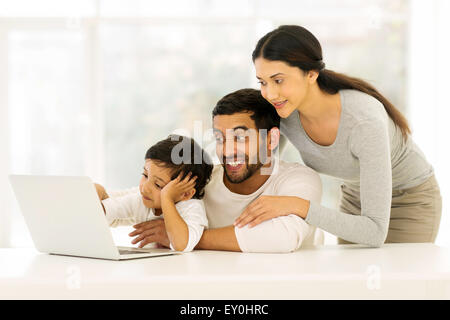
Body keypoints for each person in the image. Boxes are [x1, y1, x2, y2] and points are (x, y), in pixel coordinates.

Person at [241, 24, 442, 247]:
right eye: (262, 82)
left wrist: (297, 205)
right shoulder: (284, 112)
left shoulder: (363, 122)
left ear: (311, 74)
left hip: (409, 201)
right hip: (355, 199)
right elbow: (261, 169)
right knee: (357, 279)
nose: (269, 93)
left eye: (278, 80)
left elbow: (374, 232)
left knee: (400, 281)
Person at [119, 88, 323, 253]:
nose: (227, 150)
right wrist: (101, 198)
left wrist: (185, 237)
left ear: (271, 139)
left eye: (240, 138)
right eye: (219, 138)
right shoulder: (202, 182)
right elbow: (141, 198)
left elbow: (282, 238)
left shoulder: (299, 180)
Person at [95, 135, 213, 252]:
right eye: (145, 175)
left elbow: (181, 245)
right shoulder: (140, 199)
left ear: (186, 194)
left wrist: (166, 198)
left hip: (181, 269)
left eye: (158, 185)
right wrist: (94, 197)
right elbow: (105, 210)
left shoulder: (192, 208)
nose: (145, 188)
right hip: (150, 267)